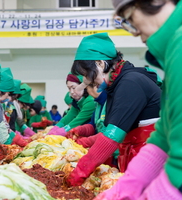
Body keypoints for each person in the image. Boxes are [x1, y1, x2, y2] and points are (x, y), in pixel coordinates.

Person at [95, 0, 182, 199]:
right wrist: (129, 185)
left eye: (130, 18)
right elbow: (164, 135)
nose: (135, 32)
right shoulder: (177, 45)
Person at [66, 32, 161, 187]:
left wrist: (79, 173)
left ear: (100, 64)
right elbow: (111, 130)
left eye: (87, 74)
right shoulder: (117, 86)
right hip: (138, 159)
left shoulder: (130, 83)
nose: (89, 82)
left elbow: (111, 137)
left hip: (152, 163)